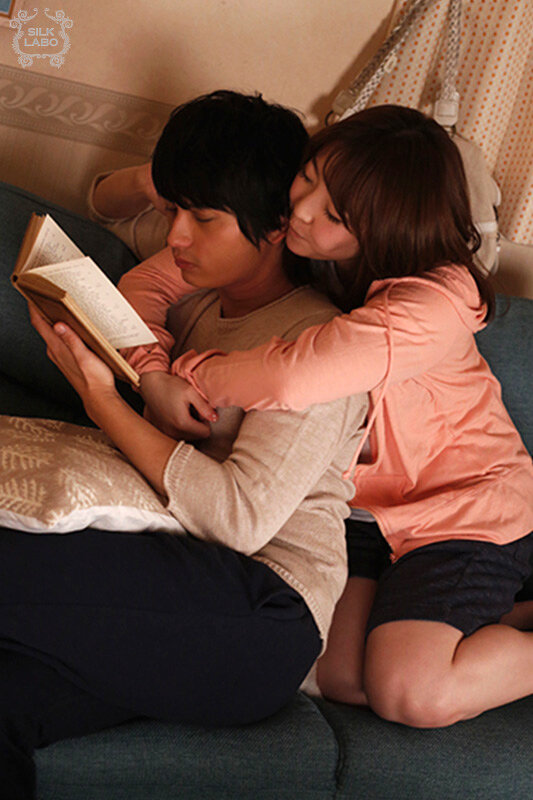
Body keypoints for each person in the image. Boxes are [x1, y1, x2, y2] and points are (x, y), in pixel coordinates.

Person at [0, 90, 368, 797]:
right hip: (173, 582)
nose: (175, 236)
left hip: (263, 615)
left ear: (275, 226)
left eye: (203, 218)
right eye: (173, 211)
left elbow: (238, 519)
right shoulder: (197, 307)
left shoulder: (317, 349)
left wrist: (101, 401)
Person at [117, 104, 533, 729]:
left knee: (409, 692)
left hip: (460, 507)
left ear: (387, 224)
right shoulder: (311, 248)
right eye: (307, 178)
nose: (302, 211)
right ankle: (494, 615)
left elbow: (292, 377)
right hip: (368, 511)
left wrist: (188, 375)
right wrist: (150, 372)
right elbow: (144, 287)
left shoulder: (432, 304)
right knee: (335, 676)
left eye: (334, 213)